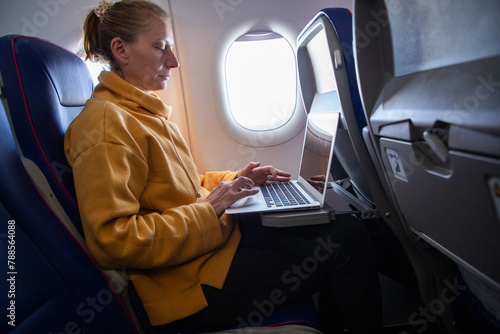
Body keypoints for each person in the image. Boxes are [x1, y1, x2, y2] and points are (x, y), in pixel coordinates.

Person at [65, 0, 383, 333]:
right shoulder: (105, 128)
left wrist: (237, 180)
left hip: (210, 248)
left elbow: (184, 186)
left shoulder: (140, 112)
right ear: (121, 50)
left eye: (170, 47)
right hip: (185, 285)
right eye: (160, 48)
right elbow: (113, 241)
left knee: (346, 230)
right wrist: (212, 205)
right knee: (345, 249)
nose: (173, 61)